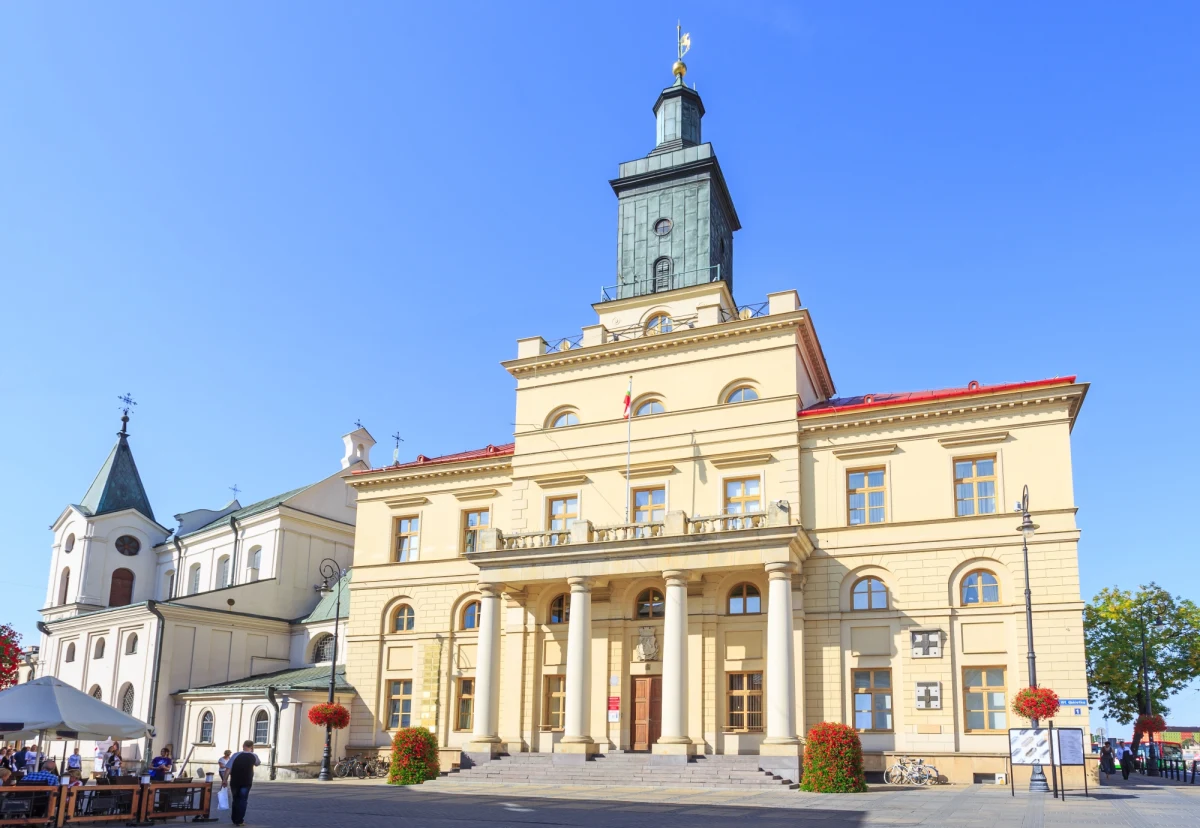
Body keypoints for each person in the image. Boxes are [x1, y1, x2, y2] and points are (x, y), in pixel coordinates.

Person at [227, 741, 260, 827]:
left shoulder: (235, 755)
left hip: (234, 781)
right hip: (246, 781)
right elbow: (257, 763)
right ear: (252, 747)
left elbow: (228, 768)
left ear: (243, 746)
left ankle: (234, 818)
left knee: (235, 799)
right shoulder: (253, 755)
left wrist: (224, 780)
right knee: (243, 800)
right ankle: (239, 820)